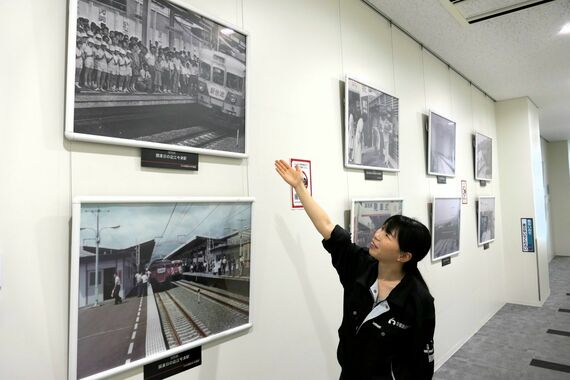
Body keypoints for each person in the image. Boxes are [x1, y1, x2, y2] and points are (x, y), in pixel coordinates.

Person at [274, 159, 435, 380]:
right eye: (382, 228)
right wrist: (300, 187)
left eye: (387, 235)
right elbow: (327, 226)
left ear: (404, 256)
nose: (377, 234)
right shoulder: (360, 265)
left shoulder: (418, 300)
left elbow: (421, 368)